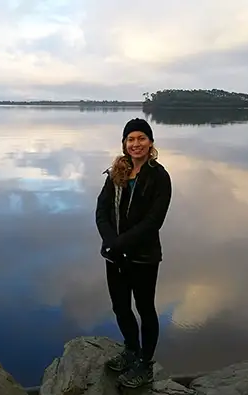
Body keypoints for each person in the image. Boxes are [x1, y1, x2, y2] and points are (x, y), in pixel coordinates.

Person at [95, 117, 172, 388]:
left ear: (150, 142)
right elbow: (102, 210)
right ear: (124, 144)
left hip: (143, 257)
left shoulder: (159, 176)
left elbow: (154, 221)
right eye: (131, 139)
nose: (136, 144)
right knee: (120, 307)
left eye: (141, 138)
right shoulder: (116, 172)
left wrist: (121, 243)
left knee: (145, 308)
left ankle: (145, 364)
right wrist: (109, 240)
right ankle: (130, 349)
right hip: (114, 255)